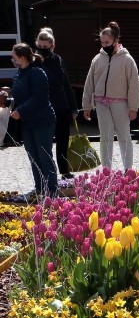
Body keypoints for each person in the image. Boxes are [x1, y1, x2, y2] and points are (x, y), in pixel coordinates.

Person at [82, 22, 139, 171]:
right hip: (101, 104)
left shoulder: (127, 60)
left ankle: (128, 168)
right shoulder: (97, 59)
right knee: (105, 138)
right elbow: (89, 83)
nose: (104, 45)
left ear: (115, 40)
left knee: (124, 137)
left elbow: (134, 85)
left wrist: (133, 107)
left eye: (107, 42)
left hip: (121, 103)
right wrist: (86, 105)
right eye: (102, 42)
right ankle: (106, 169)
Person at [10, 44, 58, 197]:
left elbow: (39, 97)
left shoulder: (37, 73)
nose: (13, 59)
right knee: (33, 157)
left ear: (22, 58)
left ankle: (51, 189)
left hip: (42, 120)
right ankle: (39, 188)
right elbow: (20, 96)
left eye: (14, 57)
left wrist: (20, 110)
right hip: (27, 122)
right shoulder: (19, 73)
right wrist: (9, 102)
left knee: (44, 156)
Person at [34, 28, 77, 179]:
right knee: (45, 142)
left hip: (61, 105)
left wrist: (73, 107)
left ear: (52, 46)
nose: (42, 49)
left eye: (45, 47)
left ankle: (64, 171)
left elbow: (66, 83)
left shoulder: (58, 59)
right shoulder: (33, 62)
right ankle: (47, 173)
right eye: (40, 46)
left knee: (63, 140)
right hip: (43, 107)